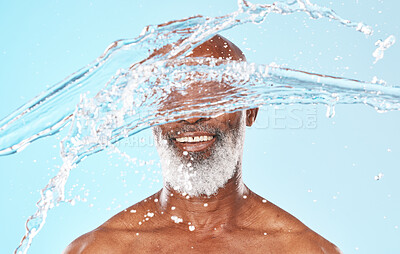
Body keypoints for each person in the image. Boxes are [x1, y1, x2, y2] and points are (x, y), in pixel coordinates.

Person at [64, 35, 341, 253]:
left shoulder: (305, 250)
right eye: (171, 97)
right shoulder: (100, 250)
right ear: (150, 113)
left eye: (213, 95)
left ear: (251, 108)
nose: (191, 115)